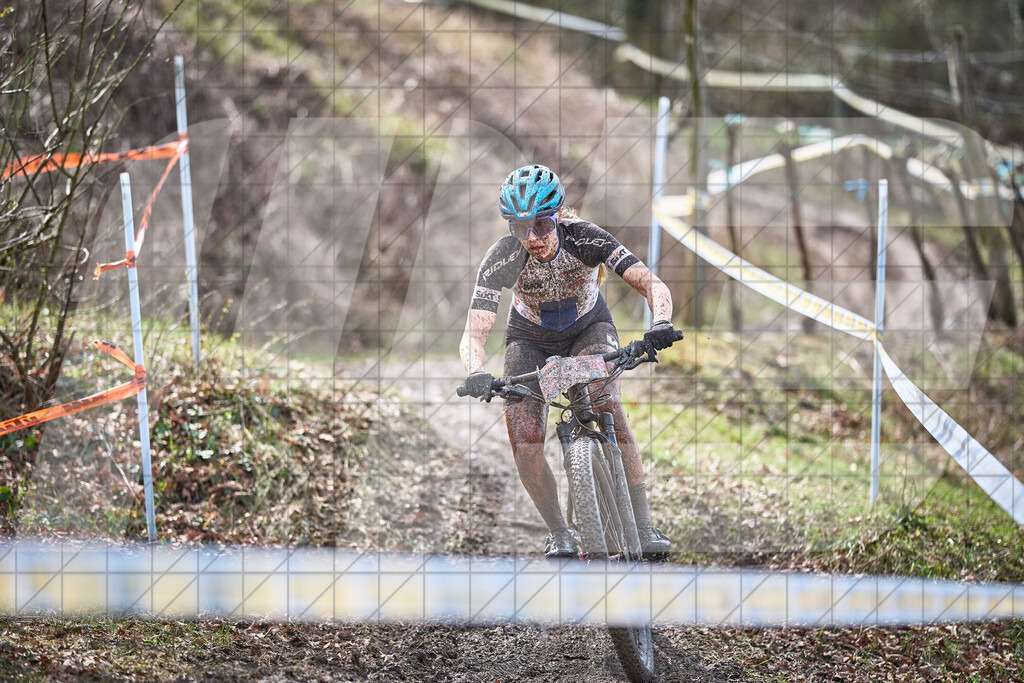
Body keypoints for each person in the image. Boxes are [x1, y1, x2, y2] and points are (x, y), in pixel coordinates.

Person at [459, 163, 679, 558]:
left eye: (541, 225)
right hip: (529, 340)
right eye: (518, 227)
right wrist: (475, 370)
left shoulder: (585, 237)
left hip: (588, 328)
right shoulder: (503, 257)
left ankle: (643, 524)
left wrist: (661, 322)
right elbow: (475, 331)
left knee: (605, 400)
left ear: (558, 215)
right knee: (525, 440)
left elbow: (650, 283)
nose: (532, 237)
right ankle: (559, 531)